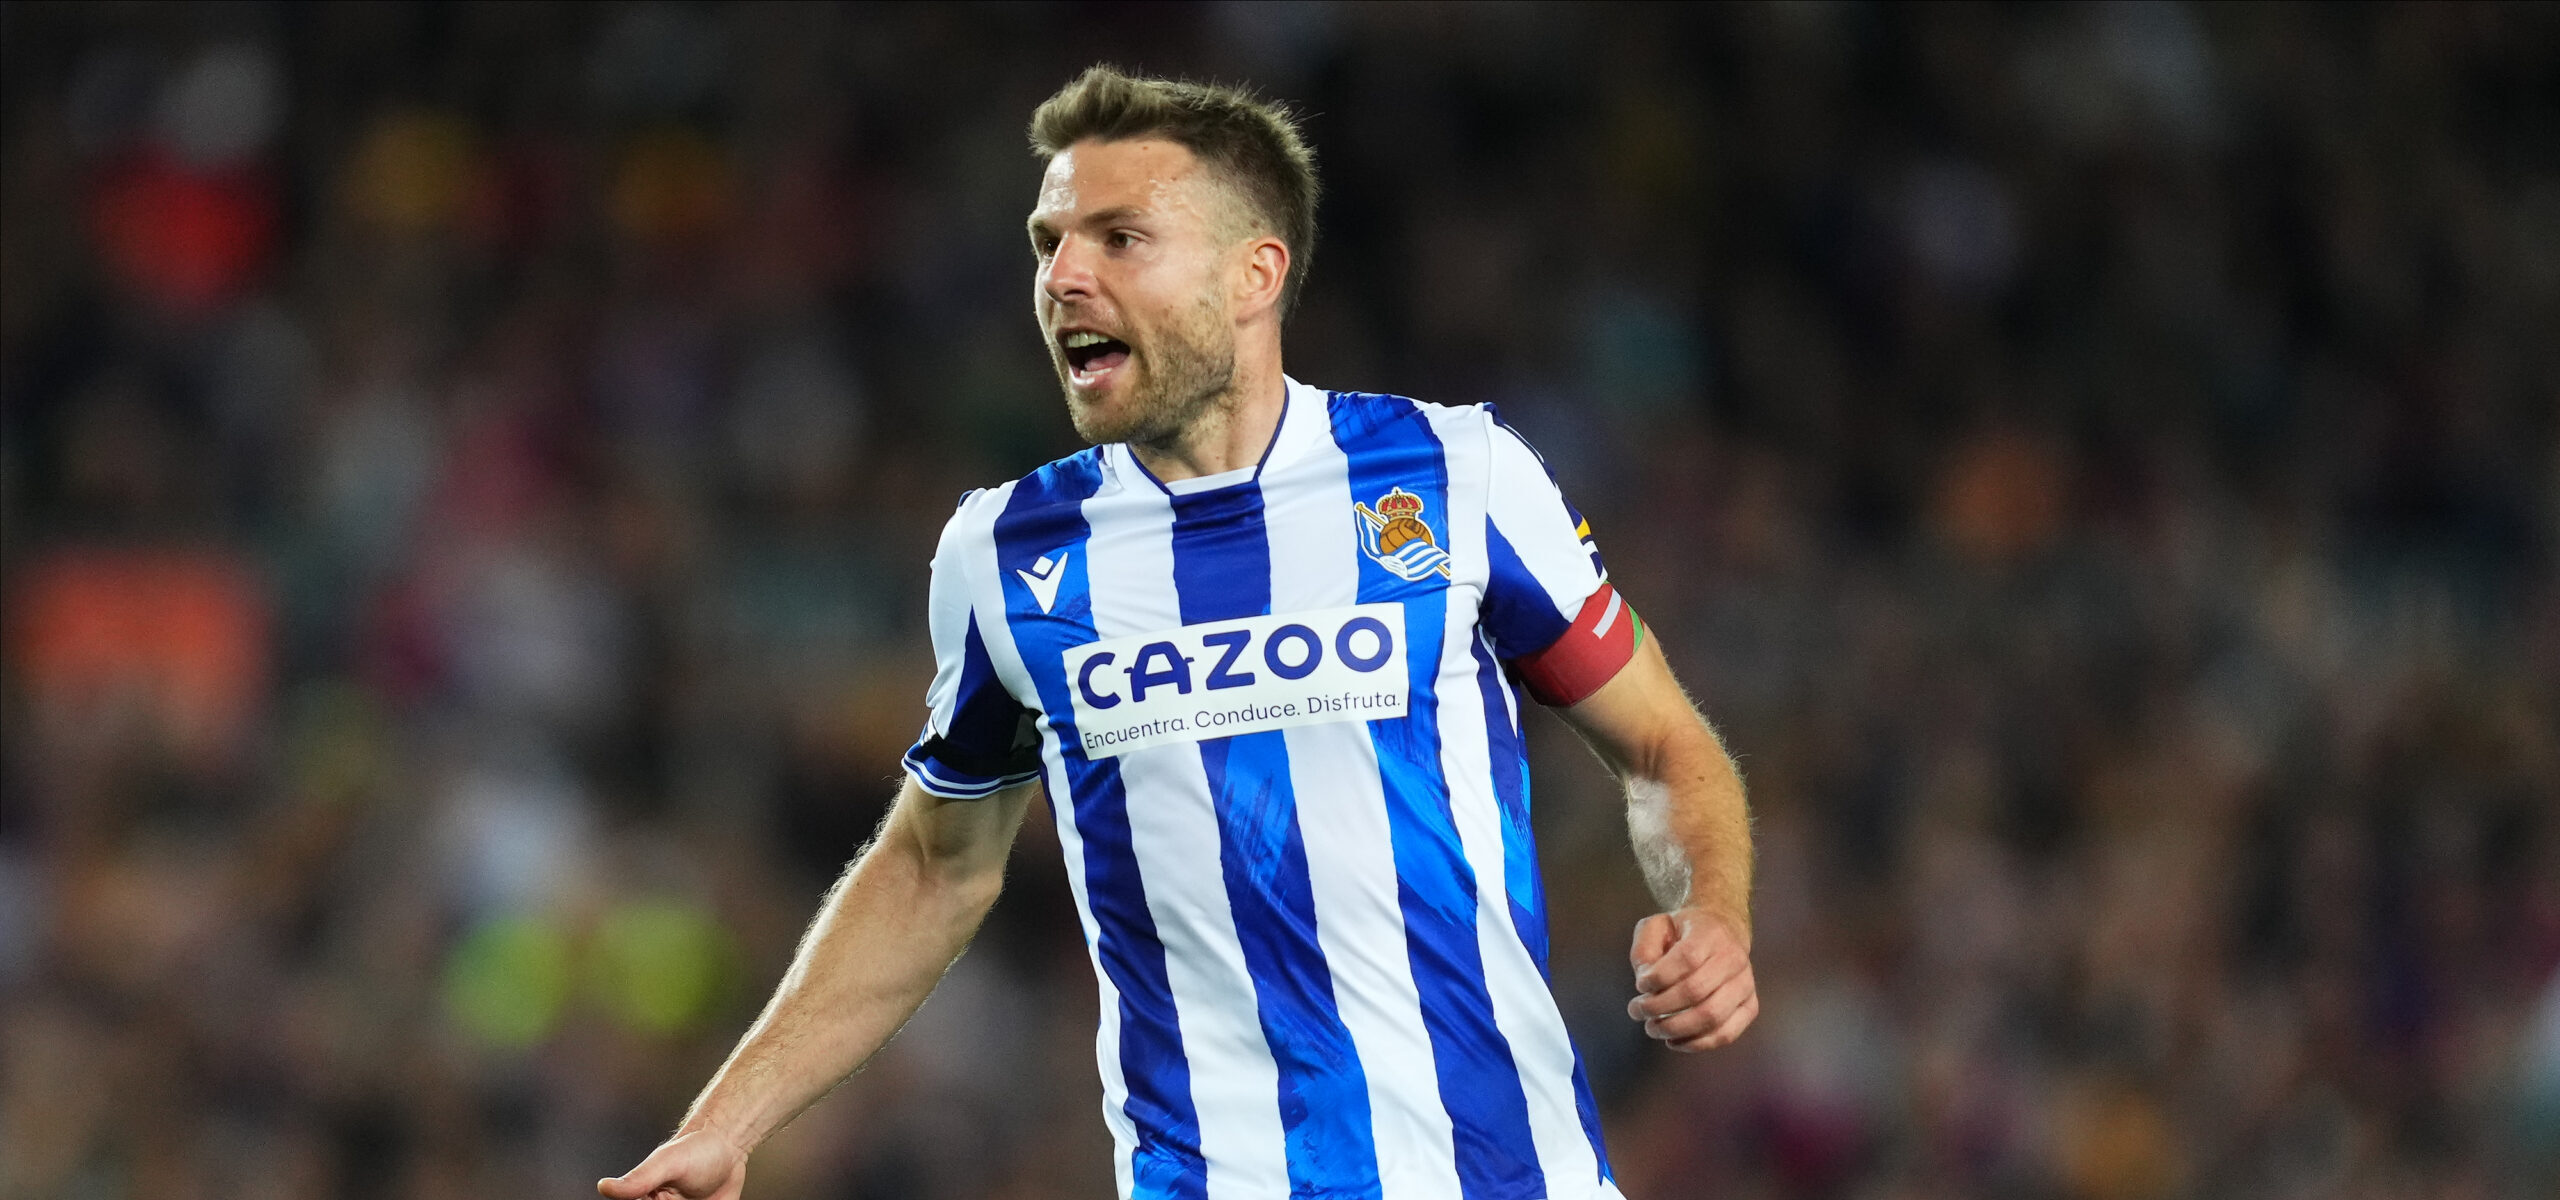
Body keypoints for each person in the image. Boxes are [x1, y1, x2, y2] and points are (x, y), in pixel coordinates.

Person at [601, 65, 1757, 1200]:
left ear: (1254, 273)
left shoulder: (1456, 475)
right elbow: (928, 868)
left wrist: (1709, 909)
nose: (1063, 276)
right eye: (1049, 241)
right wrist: (726, 1123)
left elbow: (1660, 747)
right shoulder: (1006, 554)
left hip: (1507, 1177)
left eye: (1118, 238)